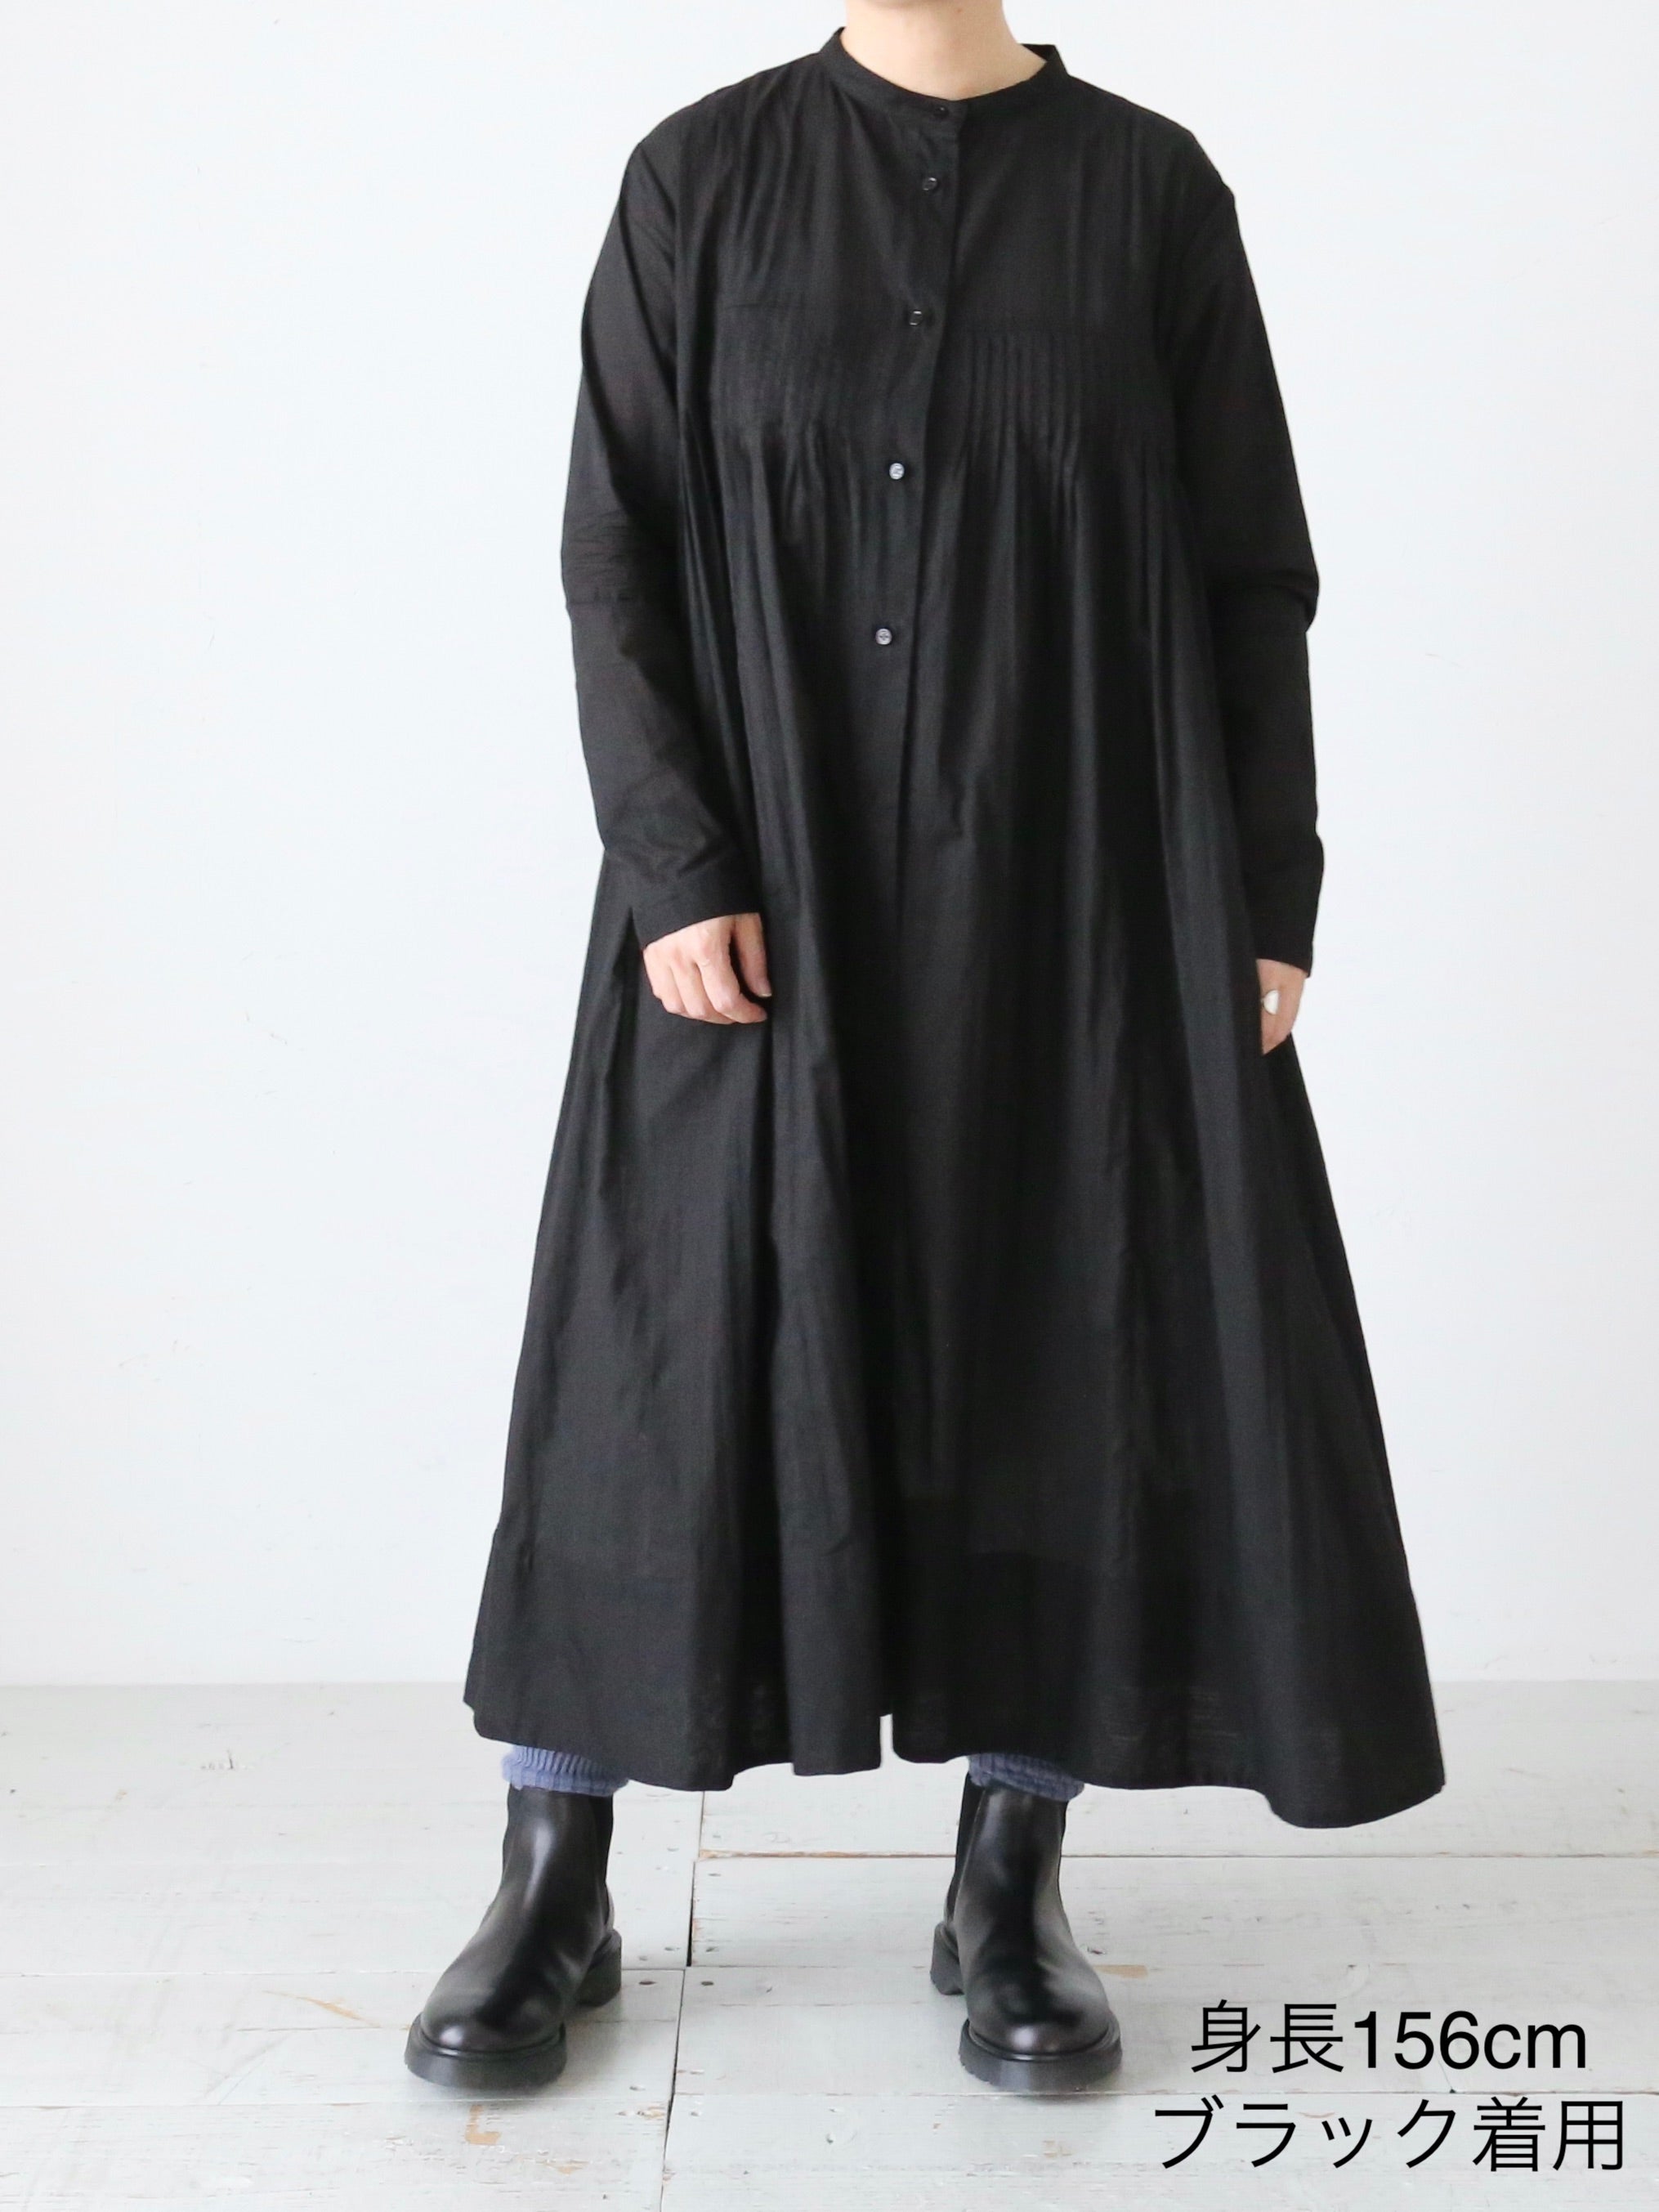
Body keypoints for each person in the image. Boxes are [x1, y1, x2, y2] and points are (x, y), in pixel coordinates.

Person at [405, 0, 1445, 2096]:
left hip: (1076, 886)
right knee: (656, 1356)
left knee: (1062, 1343)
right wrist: (676, 860)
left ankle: (1005, 1884)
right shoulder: (702, 177)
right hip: (755, 894)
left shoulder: (1146, 192)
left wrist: (1265, 895)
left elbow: (1251, 570)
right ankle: (553, 1874)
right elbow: (616, 541)